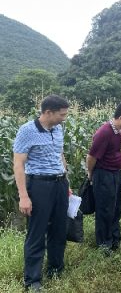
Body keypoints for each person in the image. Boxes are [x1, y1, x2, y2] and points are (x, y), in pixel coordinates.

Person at [13, 95, 70, 291]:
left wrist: (66, 181)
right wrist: (24, 196)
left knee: (59, 229)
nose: (64, 118)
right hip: (39, 185)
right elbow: (18, 164)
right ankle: (33, 280)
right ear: (48, 112)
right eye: (62, 115)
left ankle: (56, 269)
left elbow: (59, 153)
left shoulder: (58, 128)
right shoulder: (27, 131)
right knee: (36, 233)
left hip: (60, 184)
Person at [86, 102, 121, 254]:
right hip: (104, 175)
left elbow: (116, 149)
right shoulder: (105, 132)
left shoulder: (119, 130)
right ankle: (104, 244)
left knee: (116, 208)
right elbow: (91, 156)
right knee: (105, 209)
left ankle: (115, 239)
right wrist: (91, 173)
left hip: (115, 173)